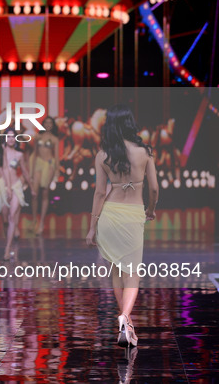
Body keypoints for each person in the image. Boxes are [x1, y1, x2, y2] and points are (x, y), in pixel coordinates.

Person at [86, 104, 158, 348]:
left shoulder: (102, 155)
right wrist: (151, 209)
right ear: (130, 124)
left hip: (109, 216)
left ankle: (126, 325)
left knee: (117, 271)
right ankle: (125, 318)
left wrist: (91, 228)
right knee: (133, 273)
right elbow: (155, 188)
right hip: (132, 216)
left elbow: (98, 194)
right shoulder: (144, 152)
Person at [1, 129, 35, 259]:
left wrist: (31, 188)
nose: (10, 139)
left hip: (16, 187)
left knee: (12, 216)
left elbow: (25, 172)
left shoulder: (19, 155)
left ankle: (7, 248)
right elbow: (0, 168)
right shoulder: (1, 152)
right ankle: (7, 242)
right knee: (5, 220)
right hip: (3, 187)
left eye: (13, 137)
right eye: (8, 137)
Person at [31, 117, 60, 235]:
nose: (48, 125)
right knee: (34, 194)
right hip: (38, 163)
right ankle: (34, 221)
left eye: (50, 123)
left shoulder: (55, 139)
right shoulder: (38, 137)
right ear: (43, 124)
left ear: (53, 125)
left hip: (49, 165)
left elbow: (56, 156)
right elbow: (34, 153)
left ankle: (42, 222)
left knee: (45, 193)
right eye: (46, 123)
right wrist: (31, 172)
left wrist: (57, 172)